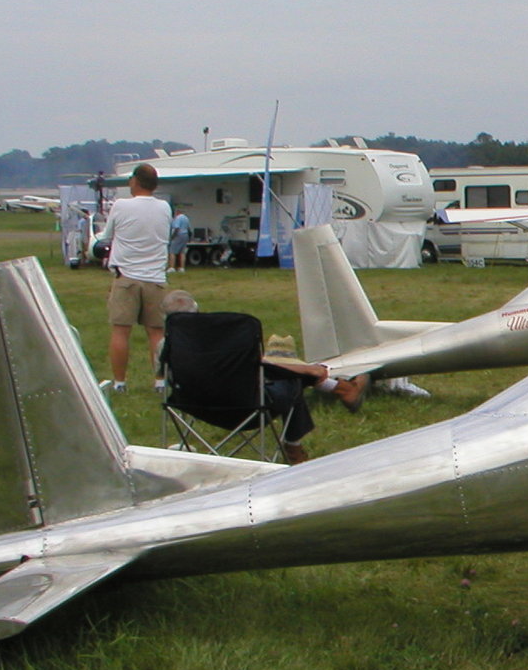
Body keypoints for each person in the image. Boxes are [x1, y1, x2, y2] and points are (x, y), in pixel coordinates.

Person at [160, 293, 368, 464]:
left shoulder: (167, 347)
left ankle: (343, 390)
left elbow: (166, 379)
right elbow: (263, 367)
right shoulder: (225, 338)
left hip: (193, 406)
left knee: (289, 374)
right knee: (292, 379)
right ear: (197, 309)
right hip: (249, 408)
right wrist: (306, 371)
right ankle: (294, 447)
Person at [98, 163, 174, 391]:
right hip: (155, 277)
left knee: (121, 331)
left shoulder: (121, 206)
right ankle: (160, 381)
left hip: (127, 277)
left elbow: (107, 236)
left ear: (135, 181)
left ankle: (120, 382)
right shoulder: (164, 208)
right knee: (157, 333)